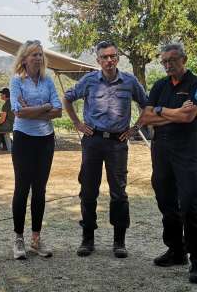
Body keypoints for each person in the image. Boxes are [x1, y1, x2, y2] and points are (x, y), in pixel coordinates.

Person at [63, 41, 147, 259]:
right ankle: (87, 239)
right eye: (104, 57)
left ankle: (119, 241)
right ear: (98, 60)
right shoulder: (89, 80)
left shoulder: (129, 81)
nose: (109, 60)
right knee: (88, 190)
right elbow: (68, 98)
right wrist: (77, 124)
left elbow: (146, 104)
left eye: (112, 56)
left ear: (117, 58)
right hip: (93, 141)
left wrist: (135, 128)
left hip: (118, 143)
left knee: (119, 192)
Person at [137, 41, 197, 284]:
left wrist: (162, 113)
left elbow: (189, 117)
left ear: (184, 60)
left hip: (187, 151)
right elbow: (145, 118)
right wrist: (172, 112)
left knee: (190, 202)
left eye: (172, 60)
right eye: (164, 61)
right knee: (165, 200)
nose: (168, 65)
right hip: (161, 150)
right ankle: (176, 250)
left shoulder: (196, 84)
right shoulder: (160, 85)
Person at [9, 40, 63, 260]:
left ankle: (35, 239)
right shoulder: (16, 81)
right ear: (24, 59)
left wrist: (33, 110)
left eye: (40, 55)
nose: (38, 58)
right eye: (34, 55)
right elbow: (18, 112)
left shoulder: (48, 81)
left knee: (40, 190)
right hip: (23, 139)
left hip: (45, 140)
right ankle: (18, 239)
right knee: (22, 188)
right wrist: (44, 107)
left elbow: (58, 111)